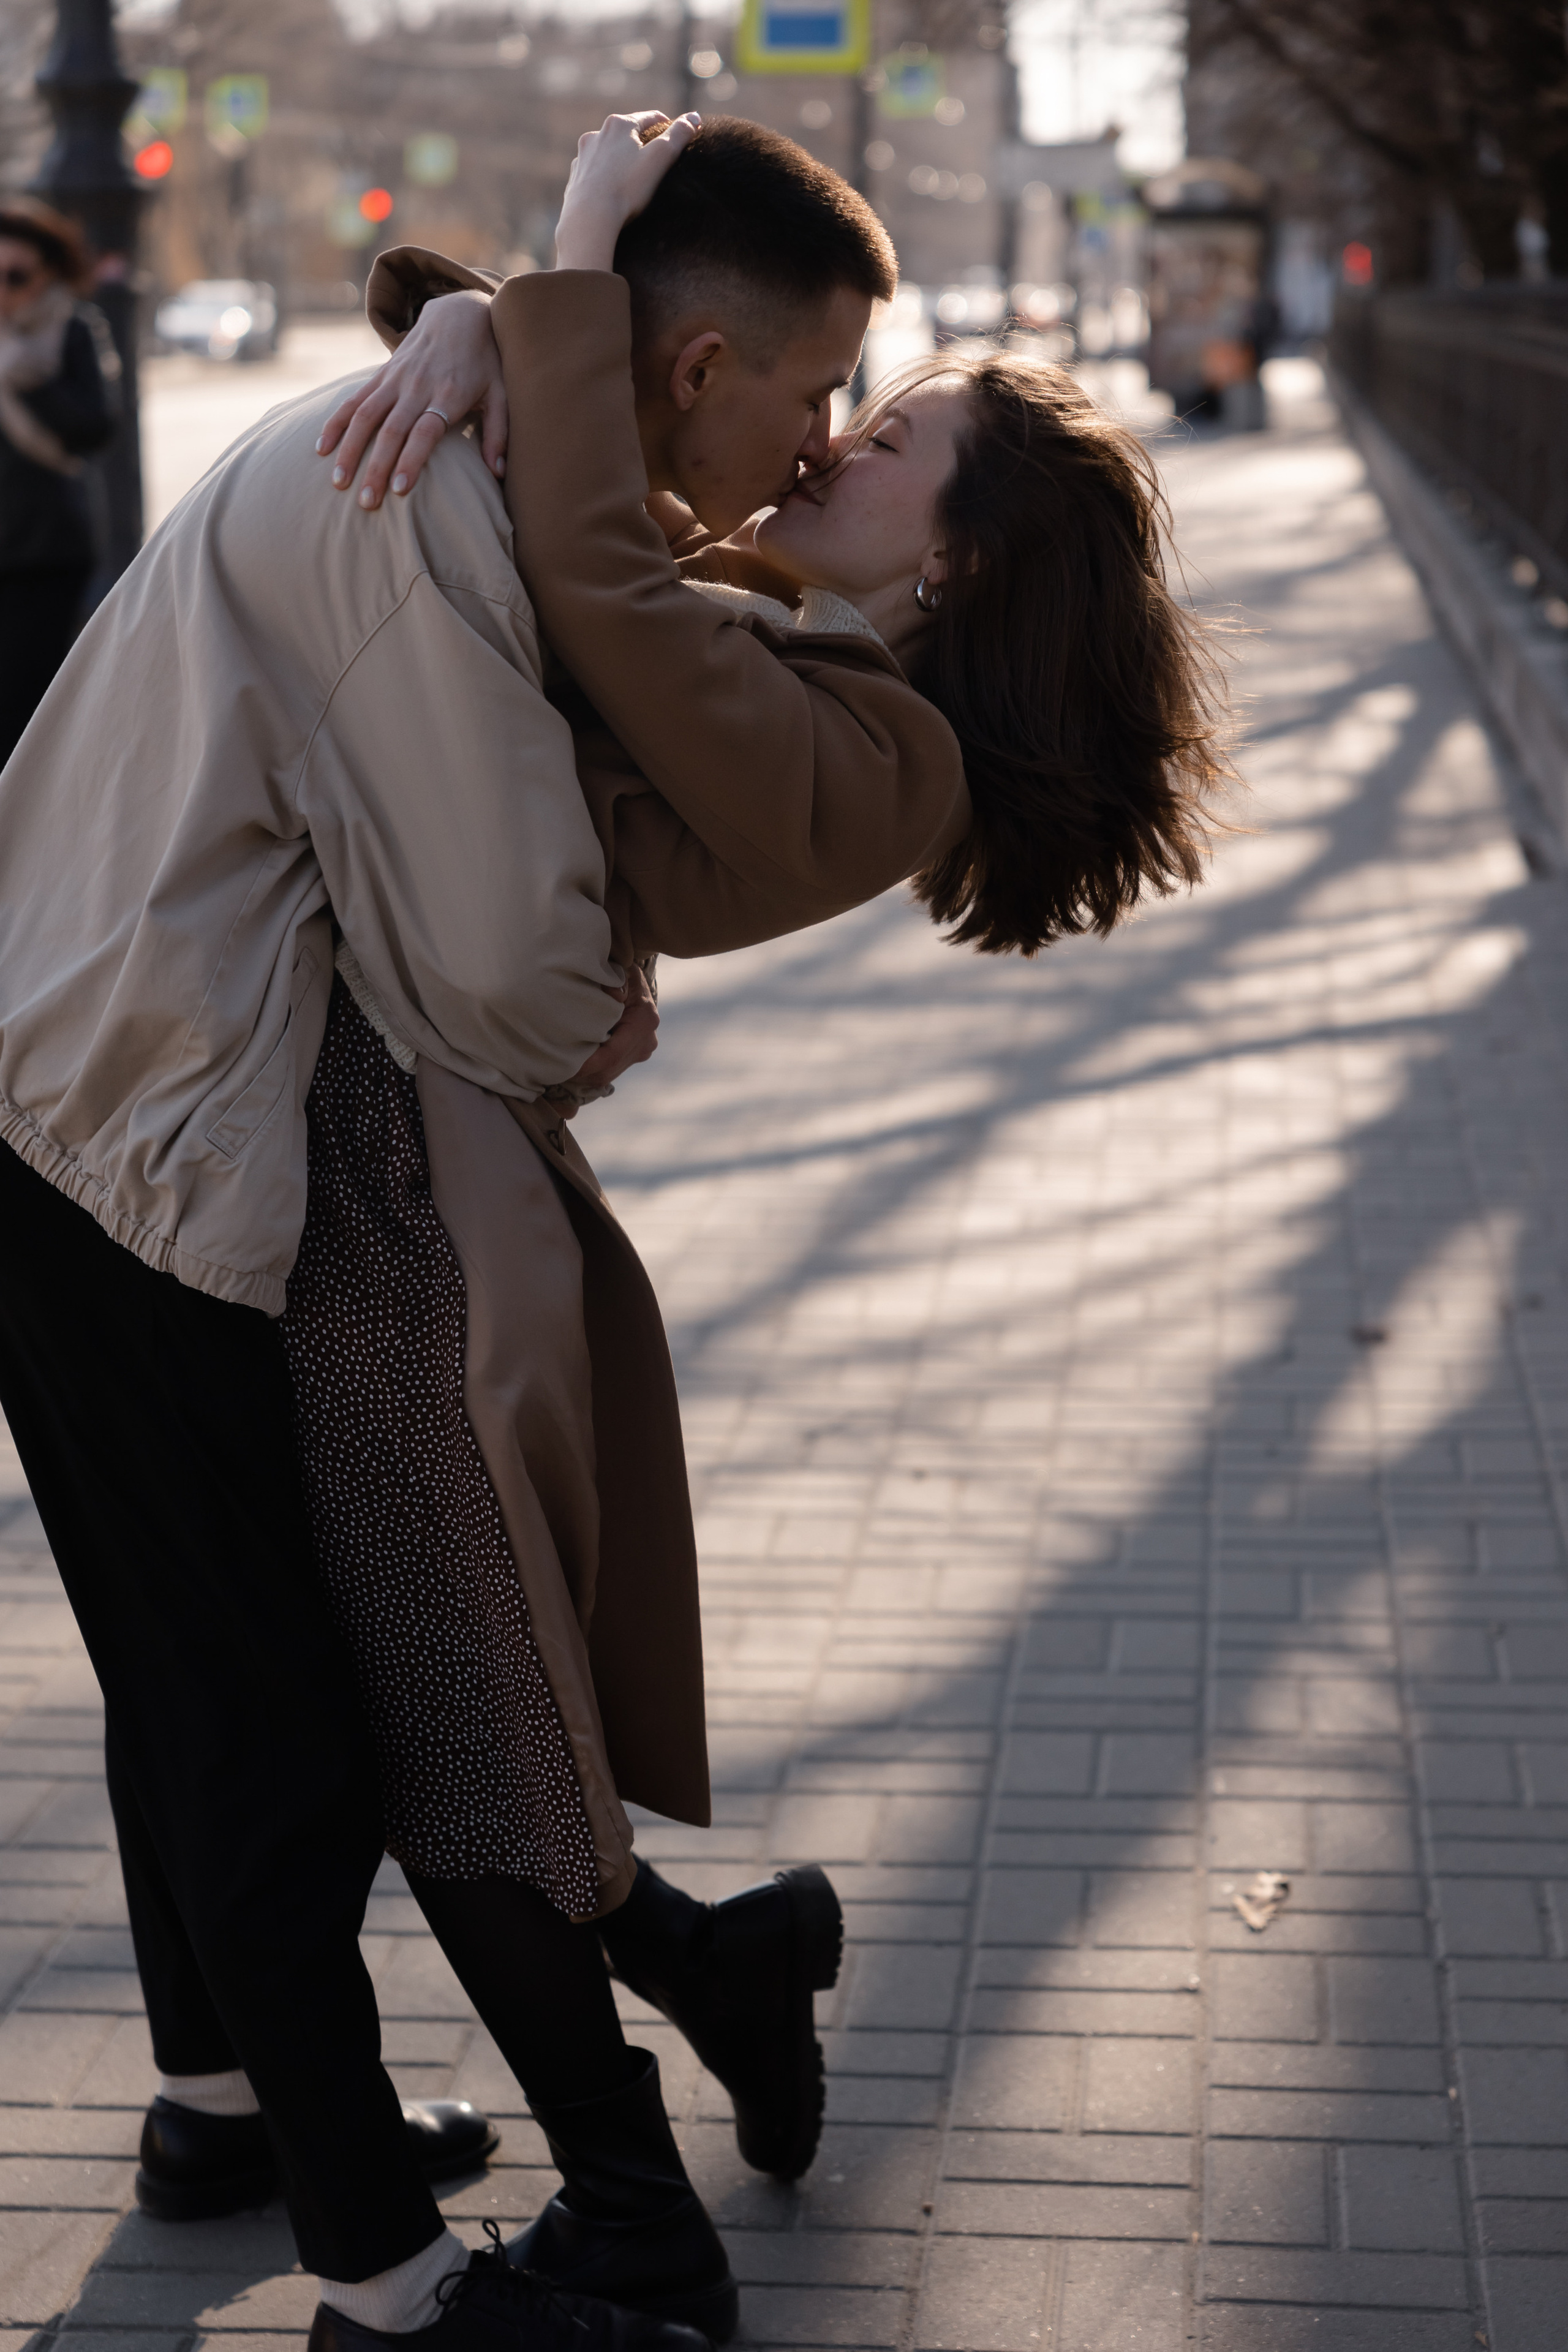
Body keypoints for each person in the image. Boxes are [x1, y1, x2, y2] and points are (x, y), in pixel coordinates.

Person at [0, 115, 924, 2352]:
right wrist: (580, 974)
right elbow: (508, 972)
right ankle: (388, 2289)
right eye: (807, 401)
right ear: (685, 364)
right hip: (133, 1145)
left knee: (192, 1690)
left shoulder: (456, 438)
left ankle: (225, 2110)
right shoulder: (425, 493)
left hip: (76, 1097)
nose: (809, 454)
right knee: (271, 1737)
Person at [0, 198, 117, 767]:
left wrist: (32, 382)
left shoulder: (71, 330)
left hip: (43, 549)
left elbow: (97, 426)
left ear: (47, 273)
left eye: (15, 276)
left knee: (25, 706)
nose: (4, 288)